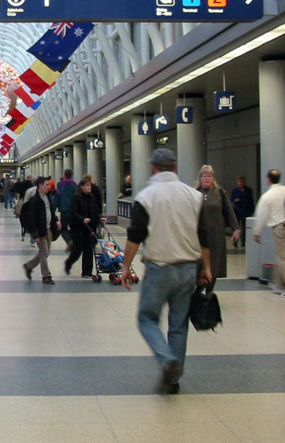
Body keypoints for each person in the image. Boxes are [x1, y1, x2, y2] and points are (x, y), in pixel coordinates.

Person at [120, 148, 211, 394]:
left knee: (147, 318)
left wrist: (126, 266)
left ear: (153, 168)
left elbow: (135, 236)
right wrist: (206, 267)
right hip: (188, 269)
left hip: (159, 268)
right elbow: (203, 235)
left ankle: (166, 359)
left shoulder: (146, 197)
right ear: (175, 166)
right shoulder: (194, 196)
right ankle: (173, 379)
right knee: (179, 324)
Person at [254, 169, 285, 299]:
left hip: (279, 228)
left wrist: (257, 232)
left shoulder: (268, 196)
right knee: (282, 256)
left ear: (268, 180)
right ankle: (278, 284)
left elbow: (261, 216)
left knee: (284, 259)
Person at [195, 165, 240, 287]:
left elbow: (229, 211)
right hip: (199, 235)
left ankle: (210, 290)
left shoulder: (220, 192)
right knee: (200, 263)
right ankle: (199, 289)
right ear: (200, 178)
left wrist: (236, 228)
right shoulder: (195, 193)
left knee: (214, 262)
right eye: (204, 176)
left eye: (209, 176)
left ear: (213, 178)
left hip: (216, 234)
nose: (207, 179)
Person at [23, 177, 62, 285]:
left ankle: (29, 266)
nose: (48, 186)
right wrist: (35, 234)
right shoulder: (34, 201)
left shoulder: (48, 197)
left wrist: (56, 220)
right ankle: (46, 276)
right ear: (40, 186)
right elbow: (32, 219)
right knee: (44, 253)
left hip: (48, 228)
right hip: (40, 231)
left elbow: (51, 212)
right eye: (46, 184)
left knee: (45, 253)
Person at [65, 179, 106, 278]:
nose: (89, 187)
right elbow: (74, 212)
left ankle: (87, 271)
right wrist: (82, 219)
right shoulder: (77, 198)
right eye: (87, 186)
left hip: (90, 227)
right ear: (81, 187)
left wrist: (100, 218)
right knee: (78, 248)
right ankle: (69, 263)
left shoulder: (92, 198)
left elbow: (95, 211)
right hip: (78, 227)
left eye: (90, 186)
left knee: (89, 249)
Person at [230, 176, 255, 247]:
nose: (240, 183)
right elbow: (231, 200)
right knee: (236, 227)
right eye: (239, 182)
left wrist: (251, 210)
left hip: (245, 211)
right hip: (237, 211)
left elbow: (251, 201)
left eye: (241, 181)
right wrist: (235, 201)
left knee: (244, 228)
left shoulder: (248, 190)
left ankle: (243, 242)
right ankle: (235, 241)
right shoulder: (235, 191)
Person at [56, 169, 78, 246]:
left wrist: (53, 208)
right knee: (73, 227)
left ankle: (69, 241)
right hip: (73, 210)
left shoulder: (60, 185)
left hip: (64, 210)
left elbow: (57, 197)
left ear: (64, 175)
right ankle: (74, 241)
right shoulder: (75, 185)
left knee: (63, 229)